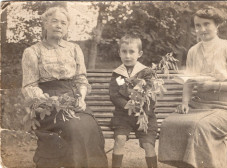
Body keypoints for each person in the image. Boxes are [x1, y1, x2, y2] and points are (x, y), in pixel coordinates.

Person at [158, 7, 227, 168]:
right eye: (198, 25)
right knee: (170, 123)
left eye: (206, 24)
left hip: (225, 108)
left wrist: (213, 85)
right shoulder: (193, 51)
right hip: (198, 105)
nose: (202, 29)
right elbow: (189, 81)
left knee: (199, 127)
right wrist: (185, 103)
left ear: (217, 25)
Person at [21, 7, 108, 168]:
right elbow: (29, 86)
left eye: (63, 23)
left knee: (88, 125)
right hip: (47, 103)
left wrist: (81, 98)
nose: (59, 25)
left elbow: (81, 79)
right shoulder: (32, 52)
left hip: (73, 98)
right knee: (74, 127)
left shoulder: (74, 49)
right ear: (45, 24)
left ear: (67, 27)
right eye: (54, 21)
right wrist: (45, 101)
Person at [109, 34, 158, 168]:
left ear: (139, 53)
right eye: (124, 51)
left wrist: (144, 112)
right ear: (119, 53)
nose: (128, 56)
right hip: (123, 115)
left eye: (132, 52)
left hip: (145, 115)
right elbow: (114, 94)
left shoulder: (146, 73)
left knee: (148, 144)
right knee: (120, 139)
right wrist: (126, 105)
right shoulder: (118, 73)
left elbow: (151, 95)